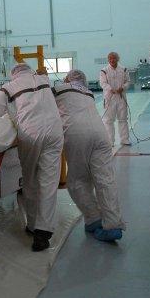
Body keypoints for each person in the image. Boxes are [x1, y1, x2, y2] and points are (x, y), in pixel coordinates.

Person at [0, 62, 64, 252]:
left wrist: (0, 127)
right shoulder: (44, 80)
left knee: (30, 180)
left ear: (14, 75)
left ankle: (33, 225)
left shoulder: (10, 87)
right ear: (30, 71)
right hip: (54, 132)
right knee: (49, 182)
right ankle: (43, 233)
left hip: (30, 134)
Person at [53, 70, 125, 242]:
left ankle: (93, 218)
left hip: (77, 135)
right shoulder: (89, 93)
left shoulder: (58, 89)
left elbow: (41, 99)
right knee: (105, 180)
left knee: (77, 181)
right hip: (101, 135)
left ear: (67, 79)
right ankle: (113, 225)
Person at [99, 52, 131, 147]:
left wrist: (123, 87)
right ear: (108, 60)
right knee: (108, 120)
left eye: (114, 58)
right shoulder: (104, 71)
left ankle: (125, 139)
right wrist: (110, 89)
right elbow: (103, 83)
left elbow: (128, 81)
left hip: (121, 98)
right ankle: (110, 141)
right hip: (109, 98)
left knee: (123, 119)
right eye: (110, 59)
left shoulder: (123, 69)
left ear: (118, 59)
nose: (112, 60)